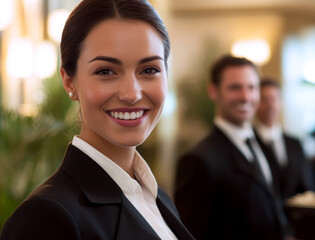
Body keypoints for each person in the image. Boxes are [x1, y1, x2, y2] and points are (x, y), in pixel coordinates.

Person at [0, 0, 194, 239]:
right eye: (106, 71)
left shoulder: (155, 197)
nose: (132, 94)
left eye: (149, 70)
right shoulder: (46, 216)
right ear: (69, 81)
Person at [174, 55, 289, 240]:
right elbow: (192, 234)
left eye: (252, 87)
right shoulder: (199, 160)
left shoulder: (262, 144)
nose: (245, 96)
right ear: (213, 91)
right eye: (235, 88)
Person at [254, 78, 314, 199]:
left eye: (274, 99)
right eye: (264, 100)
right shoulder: (250, 143)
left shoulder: (295, 144)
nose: (270, 105)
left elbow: (306, 186)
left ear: (280, 102)